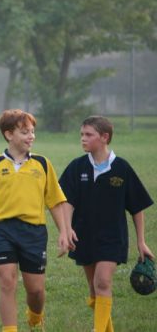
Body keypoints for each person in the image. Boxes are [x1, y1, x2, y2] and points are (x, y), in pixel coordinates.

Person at [0, 109, 69, 332]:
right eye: (25, 132)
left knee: (35, 290)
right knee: (7, 281)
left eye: (33, 132)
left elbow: (55, 202)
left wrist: (63, 232)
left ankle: (35, 315)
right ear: (8, 135)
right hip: (2, 230)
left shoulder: (42, 164)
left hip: (33, 231)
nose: (31, 136)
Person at [59, 115, 154, 332]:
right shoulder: (77, 166)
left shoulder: (121, 168)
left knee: (103, 283)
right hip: (82, 236)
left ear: (104, 137)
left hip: (112, 237)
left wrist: (141, 241)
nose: (83, 139)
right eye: (82, 134)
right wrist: (67, 228)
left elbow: (137, 207)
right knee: (94, 292)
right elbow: (66, 201)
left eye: (88, 135)